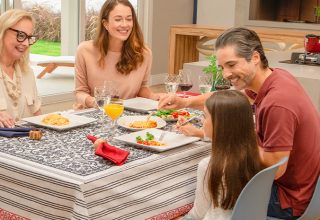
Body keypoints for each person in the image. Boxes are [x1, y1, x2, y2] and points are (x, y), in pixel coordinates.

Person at [159, 27, 320, 219]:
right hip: (302, 189)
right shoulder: (274, 78)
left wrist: (228, 134)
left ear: (254, 57)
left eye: (232, 65)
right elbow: (231, 97)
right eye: (222, 67)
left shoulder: (277, 103)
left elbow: (273, 171)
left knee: (207, 178)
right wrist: (185, 102)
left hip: (287, 198)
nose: (226, 74)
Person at [182, 90, 263, 220]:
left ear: (219, 124)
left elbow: (198, 214)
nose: (202, 120)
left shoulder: (208, 165)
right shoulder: (256, 154)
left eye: (204, 116)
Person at [75, 0, 163, 109]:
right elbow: (80, 92)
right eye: (118, 19)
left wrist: (153, 96)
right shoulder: (84, 50)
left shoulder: (144, 53)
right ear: (105, 24)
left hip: (130, 117)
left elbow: (142, 88)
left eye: (129, 19)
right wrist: (94, 102)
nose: (125, 24)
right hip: (98, 113)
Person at [0, 9, 41, 128]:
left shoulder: (28, 73)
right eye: (21, 35)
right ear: (2, 32)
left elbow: (38, 118)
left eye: (28, 38)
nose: (26, 43)